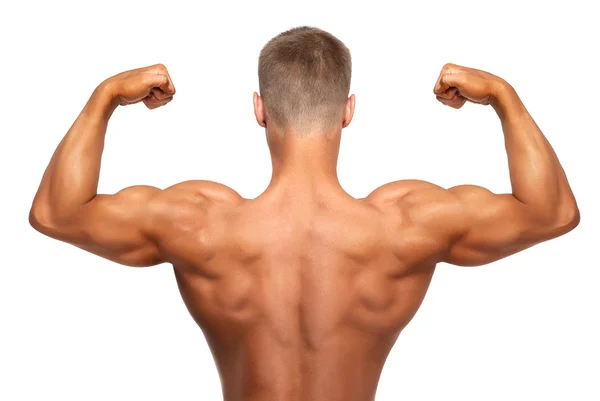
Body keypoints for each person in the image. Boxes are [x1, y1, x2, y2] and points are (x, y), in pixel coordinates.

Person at [29, 26, 579, 401]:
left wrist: (104, 98)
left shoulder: (201, 223)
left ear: (260, 110)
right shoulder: (403, 225)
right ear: (348, 111)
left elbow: (57, 212)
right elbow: (551, 211)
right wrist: (505, 97)